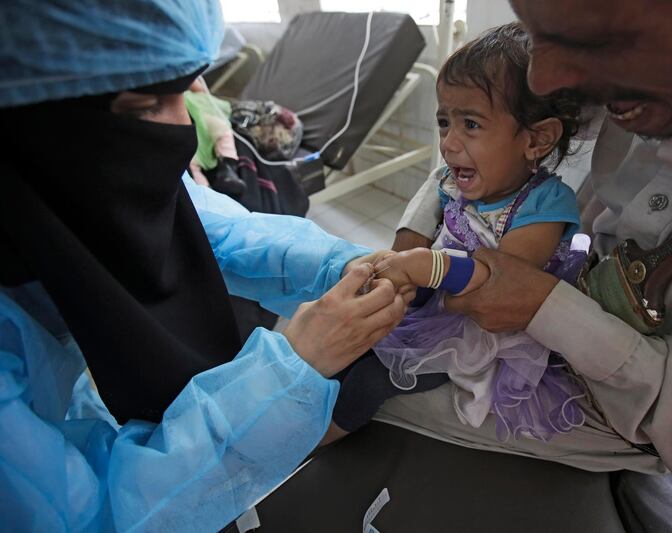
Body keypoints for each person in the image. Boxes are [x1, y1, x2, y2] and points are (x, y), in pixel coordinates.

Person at [383, 0, 672, 525]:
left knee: (351, 381)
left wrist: (554, 313)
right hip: (538, 318)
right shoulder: (632, 77)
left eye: (597, 37)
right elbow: (470, 145)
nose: (547, 75)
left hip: (619, 409)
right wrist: (410, 237)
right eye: (542, 35)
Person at [0, 1, 412, 531]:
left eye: (190, 92)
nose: (183, 133)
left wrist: (356, 266)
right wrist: (291, 370)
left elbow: (226, 234)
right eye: (146, 105)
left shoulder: (54, 187)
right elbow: (100, 517)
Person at [326, 23, 587, 445]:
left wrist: (423, 266)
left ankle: (319, 440)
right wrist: (397, 262)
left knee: (372, 380)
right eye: (445, 122)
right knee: (348, 338)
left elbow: (503, 281)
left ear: (537, 139)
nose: (448, 143)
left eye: (470, 124)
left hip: (481, 329)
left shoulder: (545, 206)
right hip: (434, 297)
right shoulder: (453, 180)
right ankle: (309, 398)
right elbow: (417, 226)